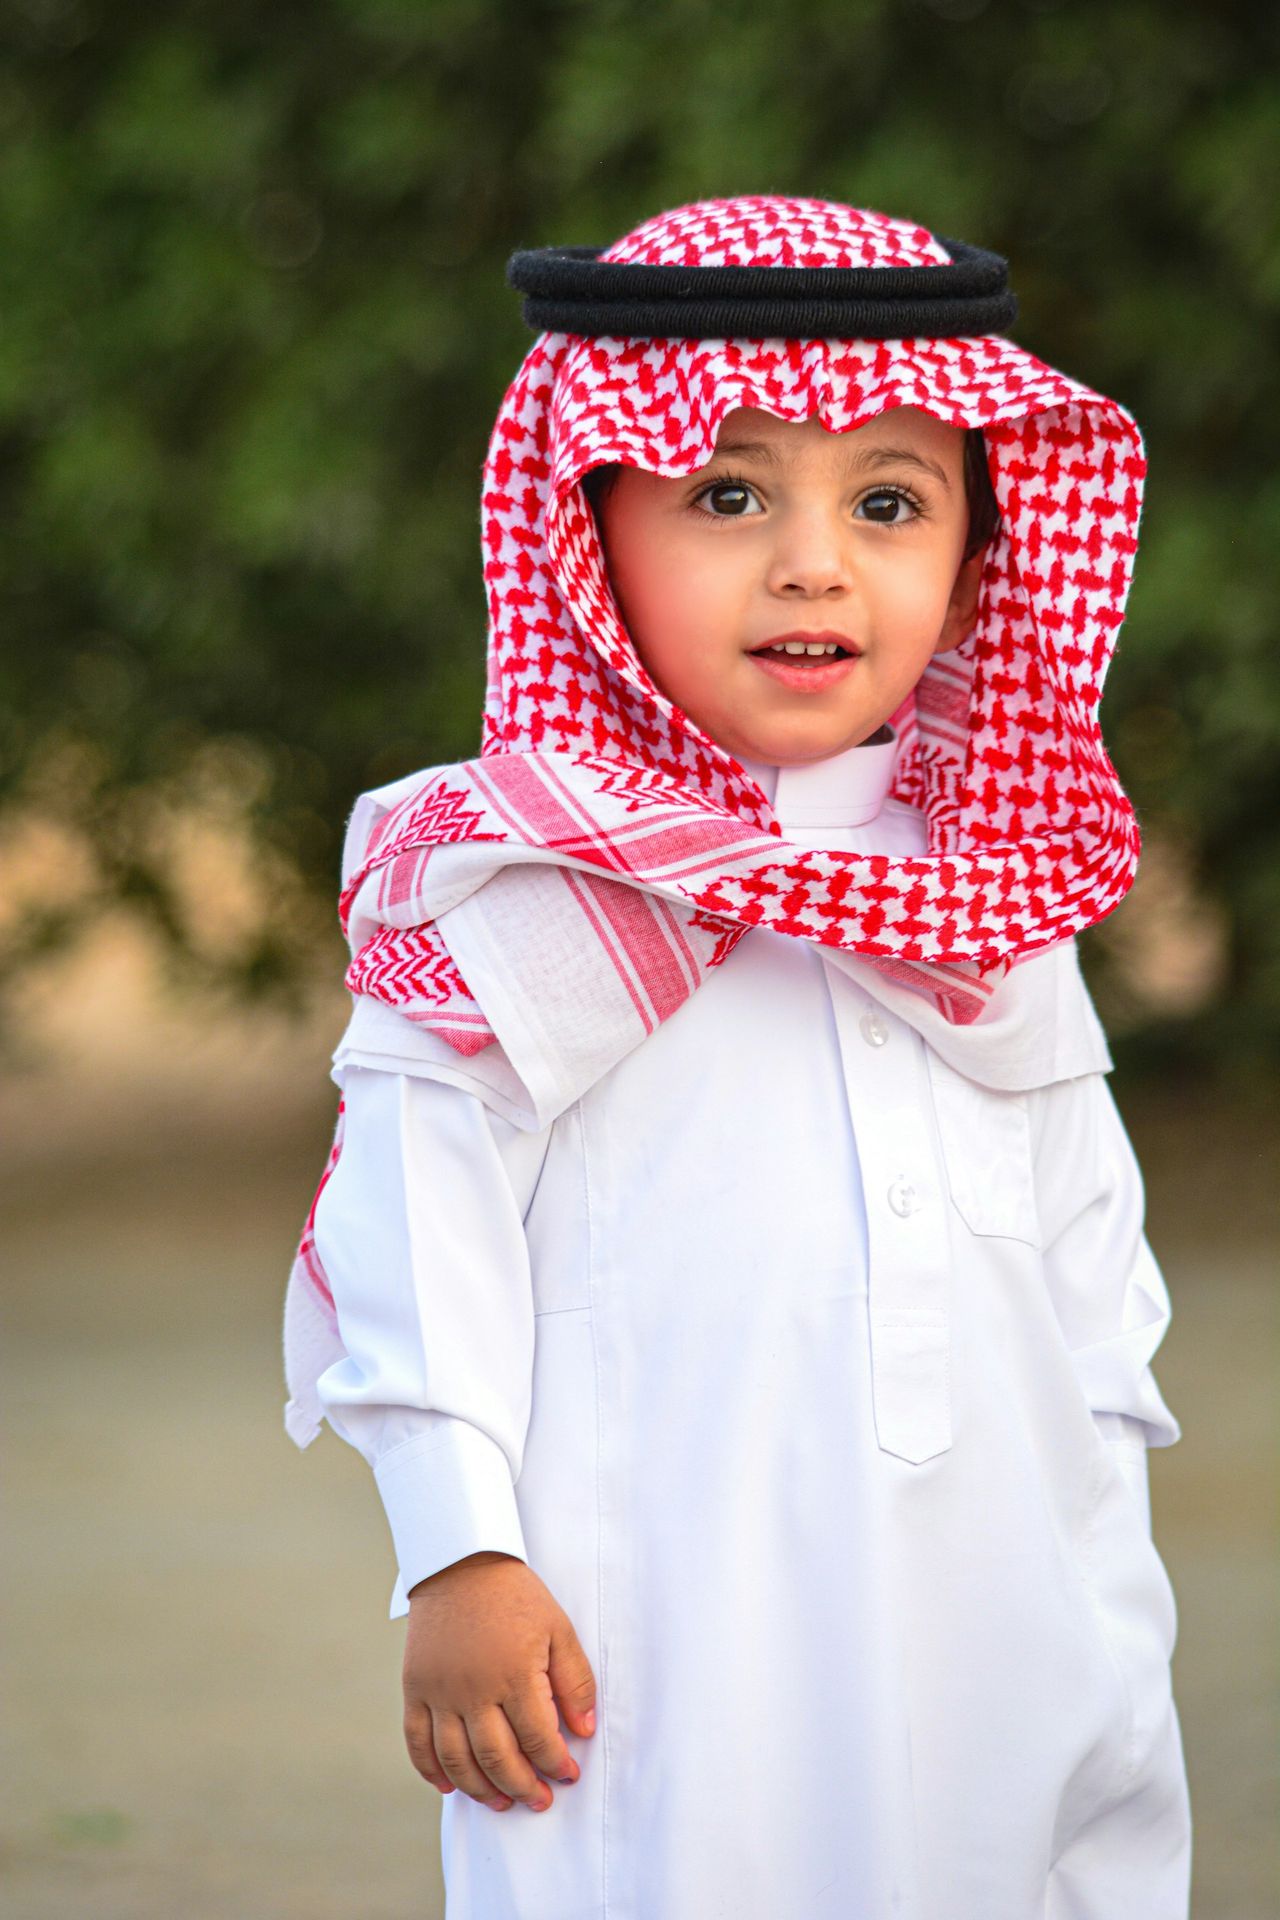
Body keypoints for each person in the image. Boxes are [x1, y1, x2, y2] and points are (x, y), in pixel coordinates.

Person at [281, 196, 1191, 1918]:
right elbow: (417, 1228)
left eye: (891, 501)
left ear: (980, 551)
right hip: (649, 1621)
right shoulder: (509, 886)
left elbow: (1092, 1272)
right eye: (727, 493)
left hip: (1010, 1600)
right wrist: (460, 1550)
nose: (813, 561)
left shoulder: (998, 890)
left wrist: (1103, 1576)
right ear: (588, 528)